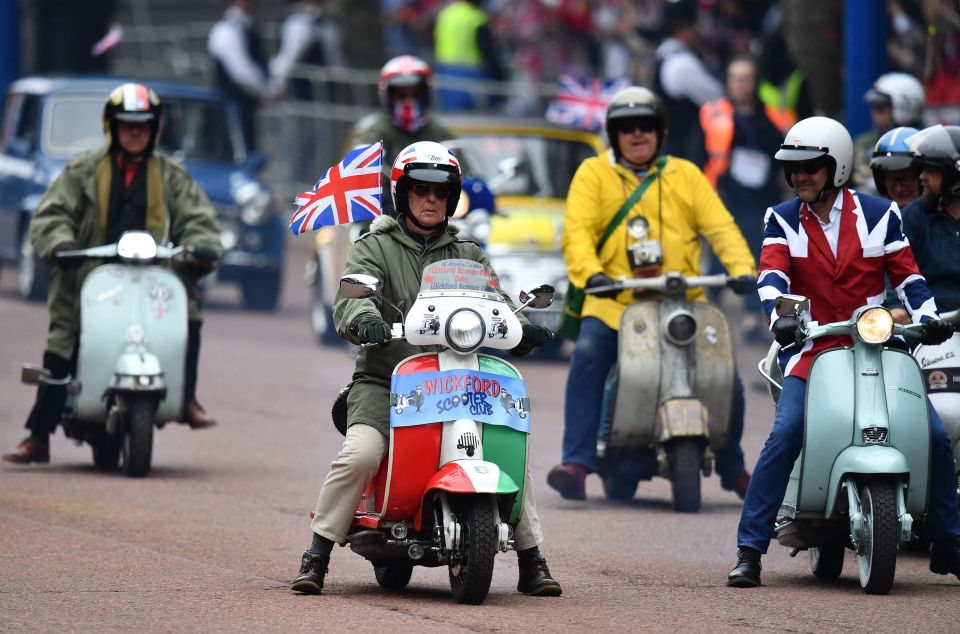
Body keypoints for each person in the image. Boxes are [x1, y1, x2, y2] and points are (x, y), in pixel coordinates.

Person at [291, 141, 561, 597]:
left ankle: (532, 560)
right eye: (420, 190)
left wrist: (522, 326)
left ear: (453, 196)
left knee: (508, 452)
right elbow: (348, 303)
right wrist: (366, 321)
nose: (431, 199)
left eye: (441, 191)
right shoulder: (373, 247)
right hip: (387, 380)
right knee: (360, 452)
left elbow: (495, 304)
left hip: (461, 381)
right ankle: (317, 554)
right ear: (404, 194)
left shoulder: (469, 254)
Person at [727, 116, 960, 588]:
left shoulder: (880, 214)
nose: (800, 177)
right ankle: (750, 548)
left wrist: (929, 315)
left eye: (810, 167)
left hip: (877, 342)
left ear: (835, 167)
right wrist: (780, 321)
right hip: (812, 345)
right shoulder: (781, 217)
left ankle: (949, 540)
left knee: (932, 433)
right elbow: (771, 277)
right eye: (794, 169)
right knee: (788, 429)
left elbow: (909, 277)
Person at [546, 86, 757, 502]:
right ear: (613, 134)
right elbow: (577, 235)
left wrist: (743, 270)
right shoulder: (593, 174)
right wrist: (591, 275)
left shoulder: (686, 174)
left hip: (684, 304)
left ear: (661, 132)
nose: (637, 134)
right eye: (627, 128)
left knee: (724, 370)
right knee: (588, 354)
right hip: (614, 303)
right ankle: (576, 461)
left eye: (646, 126)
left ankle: (732, 465)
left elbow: (721, 228)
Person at [3, 83, 222, 464]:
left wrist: (200, 246)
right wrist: (61, 244)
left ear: (155, 129)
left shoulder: (172, 175)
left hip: (154, 274)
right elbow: (51, 215)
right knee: (65, 336)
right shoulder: (83, 169)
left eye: (143, 125)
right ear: (112, 126)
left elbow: (199, 220)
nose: (134, 132)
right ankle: (38, 434)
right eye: (126, 124)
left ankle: (185, 399)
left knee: (188, 313)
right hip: (90, 273)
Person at [691, 55, 792, 342]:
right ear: (728, 82)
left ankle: (751, 317)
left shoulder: (775, 116)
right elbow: (697, 157)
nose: (741, 85)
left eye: (747, 79)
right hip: (723, 197)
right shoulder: (713, 114)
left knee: (757, 256)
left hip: (762, 199)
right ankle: (707, 315)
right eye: (736, 79)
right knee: (718, 258)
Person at [652, 0, 724, 160]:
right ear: (682, 29)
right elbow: (716, 97)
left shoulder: (664, 55)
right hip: (684, 149)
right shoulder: (681, 63)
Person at [207, 0, 276, 151]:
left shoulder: (246, 27)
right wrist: (266, 91)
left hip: (243, 106)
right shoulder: (227, 29)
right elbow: (242, 71)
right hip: (232, 108)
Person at [851, 72, 925, 194]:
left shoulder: (925, 145)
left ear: (905, 107)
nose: (874, 113)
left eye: (880, 107)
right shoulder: (865, 143)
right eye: (873, 106)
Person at [433, 0, 507, 111]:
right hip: (472, 76)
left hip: (446, 75)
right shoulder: (475, 18)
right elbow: (488, 53)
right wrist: (500, 79)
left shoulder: (445, 14)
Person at [269, 0, 345, 102]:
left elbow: (287, 60)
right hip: (321, 92)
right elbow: (337, 65)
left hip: (307, 93)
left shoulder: (299, 24)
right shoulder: (326, 25)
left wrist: (275, 88)